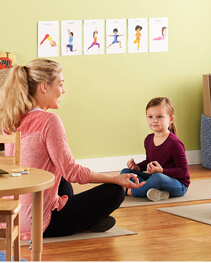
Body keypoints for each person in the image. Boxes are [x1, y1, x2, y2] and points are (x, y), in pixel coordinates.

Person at [0, 58, 144, 240]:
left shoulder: (11, 118)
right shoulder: (49, 121)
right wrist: (115, 178)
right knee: (116, 191)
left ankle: (86, 220)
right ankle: (86, 221)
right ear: (44, 87)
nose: (63, 90)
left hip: (12, 217)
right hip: (39, 223)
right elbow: (72, 172)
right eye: (60, 84)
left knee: (59, 179)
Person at [120, 97, 191, 202]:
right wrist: (138, 167)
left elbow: (183, 172)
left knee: (158, 177)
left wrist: (162, 171)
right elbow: (149, 161)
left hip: (178, 184)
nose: (154, 120)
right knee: (125, 172)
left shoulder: (175, 144)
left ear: (170, 119)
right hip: (156, 177)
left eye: (159, 116)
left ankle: (130, 191)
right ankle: (157, 192)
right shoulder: (148, 139)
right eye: (150, 117)